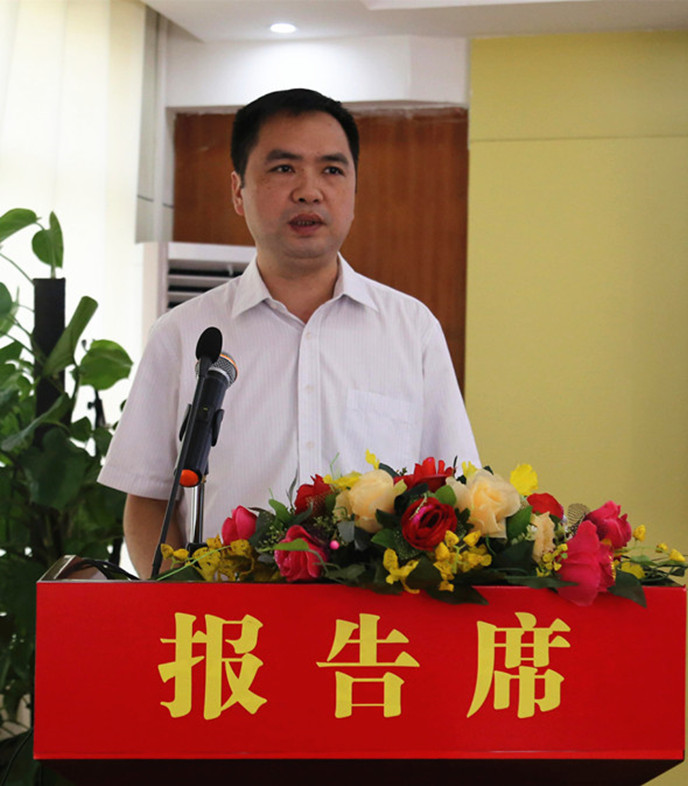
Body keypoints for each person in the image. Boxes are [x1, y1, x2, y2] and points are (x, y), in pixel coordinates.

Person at [98, 88, 479, 578]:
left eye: (332, 170)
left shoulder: (412, 330)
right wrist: (178, 599)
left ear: (354, 192)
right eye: (283, 168)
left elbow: (455, 492)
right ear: (238, 191)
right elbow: (150, 498)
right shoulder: (183, 334)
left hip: (371, 620)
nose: (309, 191)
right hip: (229, 619)